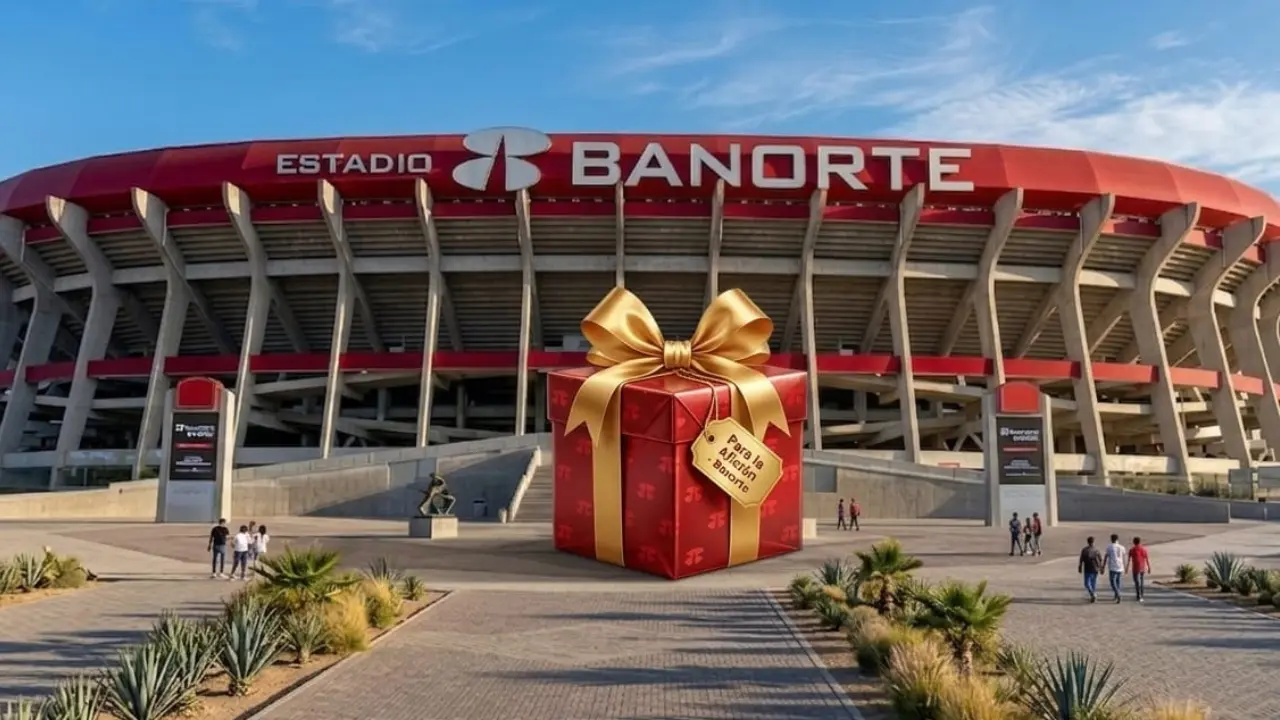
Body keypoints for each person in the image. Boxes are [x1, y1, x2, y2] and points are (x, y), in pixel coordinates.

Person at [1077, 536, 1104, 602]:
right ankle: (1093, 594)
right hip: (1095, 568)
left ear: (1088, 542)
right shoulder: (1096, 550)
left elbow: (1081, 559)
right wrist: (1101, 568)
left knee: (1087, 583)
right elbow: (1100, 560)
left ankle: (1092, 595)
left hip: (1088, 568)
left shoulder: (1084, 550)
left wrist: (1080, 566)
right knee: (1092, 583)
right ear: (1093, 542)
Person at [1127, 536, 1151, 603]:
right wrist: (1149, 567)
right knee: (1141, 582)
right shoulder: (1143, 549)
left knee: (1137, 582)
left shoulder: (1132, 549)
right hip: (1142, 568)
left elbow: (1129, 560)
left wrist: (1126, 568)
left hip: (1135, 568)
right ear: (1140, 542)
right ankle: (1141, 595)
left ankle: (1138, 595)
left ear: (1133, 542)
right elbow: (1147, 559)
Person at [1105, 534, 1127, 603]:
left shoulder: (1109, 547)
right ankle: (1116, 595)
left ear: (1111, 539)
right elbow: (1124, 557)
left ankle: (1118, 594)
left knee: (1112, 582)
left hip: (1113, 566)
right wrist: (1125, 566)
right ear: (1117, 539)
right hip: (1120, 566)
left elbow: (1106, 556)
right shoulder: (1122, 547)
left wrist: (1103, 566)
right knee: (1118, 581)